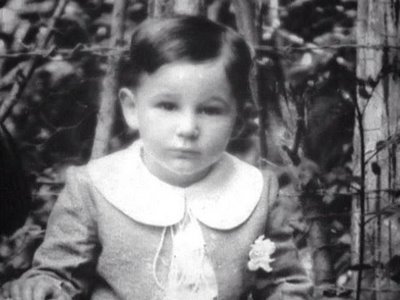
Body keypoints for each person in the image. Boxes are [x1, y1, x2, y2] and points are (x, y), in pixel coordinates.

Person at [1, 16, 312, 300]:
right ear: (131, 109)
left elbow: (285, 283)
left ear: (238, 120)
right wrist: (42, 286)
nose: (188, 129)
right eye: (167, 106)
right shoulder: (94, 186)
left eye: (210, 110)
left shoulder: (256, 192)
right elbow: (60, 274)